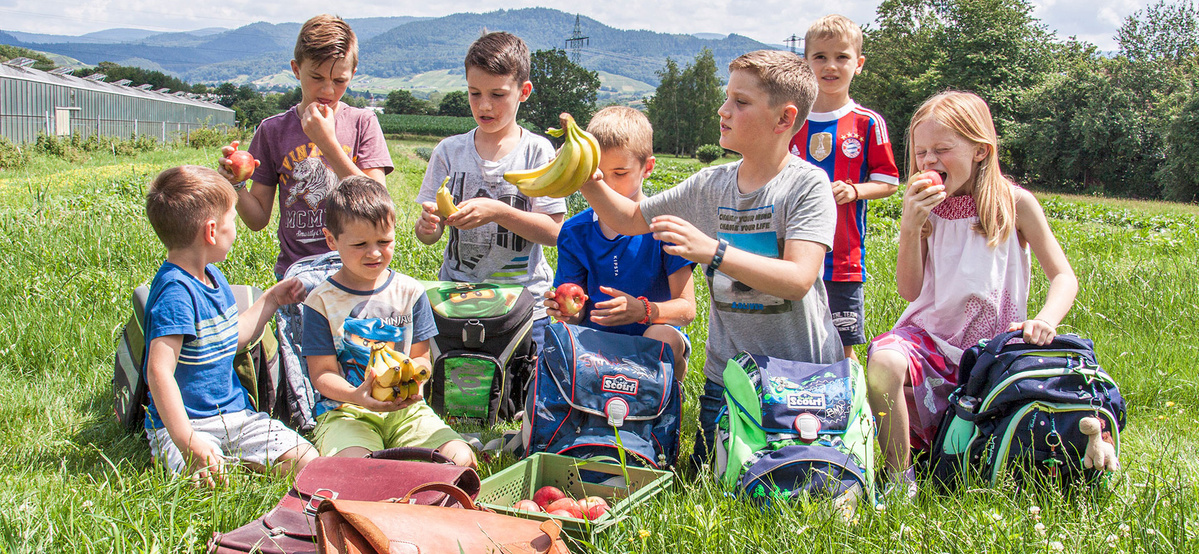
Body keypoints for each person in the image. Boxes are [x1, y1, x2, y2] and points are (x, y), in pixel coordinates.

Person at [578, 50, 844, 472]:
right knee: (712, 480)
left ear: (783, 119)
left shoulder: (807, 185)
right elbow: (627, 218)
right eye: (726, 98)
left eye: (741, 102)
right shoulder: (709, 185)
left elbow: (797, 279)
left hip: (801, 380)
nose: (723, 110)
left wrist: (713, 251)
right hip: (727, 381)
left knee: (798, 488)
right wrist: (587, 180)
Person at [866, 91, 1078, 499]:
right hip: (928, 337)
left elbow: (1063, 276)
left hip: (991, 344)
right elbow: (908, 291)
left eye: (943, 150)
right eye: (922, 151)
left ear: (981, 150)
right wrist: (910, 227)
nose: (929, 162)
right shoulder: (928, 209)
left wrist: (1046, 320)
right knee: (883, 361)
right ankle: (898, 478)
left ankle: (965, 456)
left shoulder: (1015, 205)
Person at [142, 165, 318, 486]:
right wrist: (189, 442)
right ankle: (214, 461)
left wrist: (271, 300)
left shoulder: (212, 276)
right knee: (206, 485)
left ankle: (235, 461)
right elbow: (159, 371)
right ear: (211, 231)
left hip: (235, 418)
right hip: (182, 425)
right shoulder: (174, 294)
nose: (235, 229)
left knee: (307, 461)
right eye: (233, 220)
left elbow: (231, 338)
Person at [303, 176, 476, 466]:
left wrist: (415, 380)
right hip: (346, 412)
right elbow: (322, 374)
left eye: (384, 242)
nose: (374, 253)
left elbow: (420, 357)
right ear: (331, 239)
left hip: (406, 411)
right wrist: (357, 396)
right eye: (360, 244)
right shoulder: (321, 301)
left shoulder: (410, 292)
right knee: (358, 469)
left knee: (460, 460)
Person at [413, 31, 565, 357]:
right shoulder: (448, 152)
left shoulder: (537, 152)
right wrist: (428, 228)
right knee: (457, 395)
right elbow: (431, 231)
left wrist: (498, 212)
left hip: (524, 305)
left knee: (520, 399)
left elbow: (554, 233)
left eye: (497, 94)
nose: (484, 105)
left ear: (523, 92)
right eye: (474, 93)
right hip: (456, 301)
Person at [218, 14, 393, 279]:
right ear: (296, 69)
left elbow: (377, 202)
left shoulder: (362, 122)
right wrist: (236, 184)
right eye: (316, 77)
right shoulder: (272, 130)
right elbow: (257, 220)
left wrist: (327, 143)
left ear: (353, 74)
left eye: (339, 80)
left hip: (358, 270)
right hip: (298, 273)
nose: (328, 90)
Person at [543, 106, 697, 377]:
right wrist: (565, 311)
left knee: (662, 338)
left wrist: (642, 310)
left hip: (653, 336)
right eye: (597, 174)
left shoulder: (665, 224)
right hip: (596, 344)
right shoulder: (574, 231)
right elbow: (578, 313)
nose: (607, 185)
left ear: (647, 167)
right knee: (558, 335)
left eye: (620, 173)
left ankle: (668, 397)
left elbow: (687, 309)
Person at [790, 14, 900, 362]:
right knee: (792, 345)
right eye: (819, 57)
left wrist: (854, 191)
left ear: (859, 63)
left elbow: (888, 182)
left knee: (842, 349)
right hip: (788, 258)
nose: (830, 66)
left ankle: (849, 412)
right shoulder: (789, 120)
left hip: (842, 262)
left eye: (842, 57)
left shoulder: (868, 122)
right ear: (805, 63)